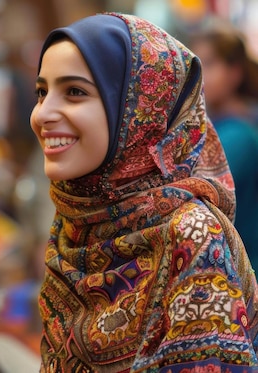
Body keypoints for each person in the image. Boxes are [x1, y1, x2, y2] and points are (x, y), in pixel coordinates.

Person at [31, 12, 258, 372]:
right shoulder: (75, 223)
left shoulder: (191, 235)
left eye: (74, 92)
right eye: (42, 92)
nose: (43, 113)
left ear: (139, 112)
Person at [188, 23, 258, 267]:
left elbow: (198, 189)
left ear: (235, 72)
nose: (199, 75)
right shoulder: (205, 124)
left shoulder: (240, 132)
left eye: (208, 63)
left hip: (243, 265)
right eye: (195, 65)